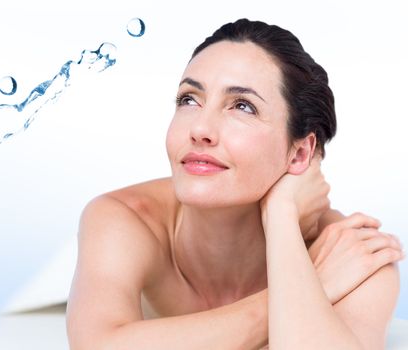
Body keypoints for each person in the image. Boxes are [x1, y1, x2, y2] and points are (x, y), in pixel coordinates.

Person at [66, 18, 403, 349]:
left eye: (242, 106)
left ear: (300, 153)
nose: (200, 129)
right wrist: (315, 287)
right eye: (189, 99)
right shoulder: (124, 219)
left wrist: (282, 212)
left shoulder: (353, 254)